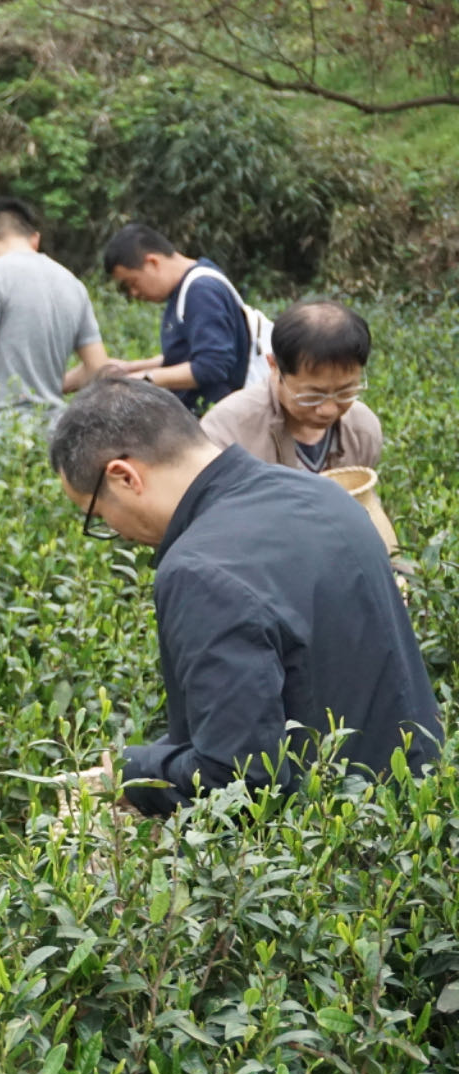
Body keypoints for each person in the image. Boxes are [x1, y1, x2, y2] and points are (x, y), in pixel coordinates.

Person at [51, 376, 441, 817]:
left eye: (99, 516)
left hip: (333, 852)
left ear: (124, 476)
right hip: (418, 815)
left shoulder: (199, 570)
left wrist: (130, 772)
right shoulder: (324, 494)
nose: (116, 534)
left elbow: (235, 782)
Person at [0, 197, 108, 425]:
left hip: (0, 432)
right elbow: (98, 369)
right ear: (35, 240)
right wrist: (43, 385)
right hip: (56, 431)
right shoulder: (73, 284)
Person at [201, 300, 380, 474]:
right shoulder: (227, 431)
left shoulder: (362, 429)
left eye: (345, 392)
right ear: (274, 367)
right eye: (313, 396)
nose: (328, 410)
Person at [100, 224, 253, 413]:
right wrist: (131, 368)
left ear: (153, 262)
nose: (134, 293)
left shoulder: (201, 290)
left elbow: (213, 365)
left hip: (218, 423)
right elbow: (187, 354)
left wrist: (144, 380)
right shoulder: (185, 289)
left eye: (133, 282)